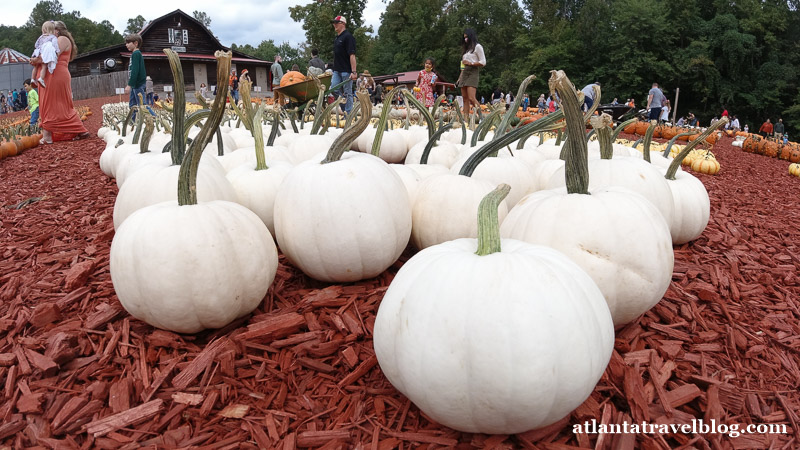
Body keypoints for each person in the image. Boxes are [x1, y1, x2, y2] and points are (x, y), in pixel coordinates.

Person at [30, 21, 88, 144]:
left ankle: (48, 135)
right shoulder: (55, 40)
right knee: (59, 103)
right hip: (52, 75)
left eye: (51, 29)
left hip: (55, 75)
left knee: (49, 103)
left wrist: (35, 60)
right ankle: (77, 130)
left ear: (57, 30)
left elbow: (50, 56)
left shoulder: (62, 39)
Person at [455, 28, 485, 120]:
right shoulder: (466, 50)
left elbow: (483, 62)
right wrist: (459, 79)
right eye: (464, 37)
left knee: (471, 97)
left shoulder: (478, 47)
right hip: (464, 72)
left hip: (473, 71)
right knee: (465, 98)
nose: (465, 39)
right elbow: (463, 67)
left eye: (467, 37)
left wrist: (471, 63)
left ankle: (481, 118)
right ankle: (466, 119)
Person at [330, 15, 357, 114]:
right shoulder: (337, 38)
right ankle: (344, 106)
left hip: (346, 70)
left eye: (336, 23)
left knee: (348, 92)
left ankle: (348, 115)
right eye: (334, 23)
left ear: (343, 24)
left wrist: (354, 71)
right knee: (333, 88)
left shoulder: (348, 37)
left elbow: (352, 55)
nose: (334, 25)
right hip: (337, 70)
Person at [124, 34, 147, 120]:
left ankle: (154, 118)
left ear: (135, 43)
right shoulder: (135, 54)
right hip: (135, 85)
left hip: (138, 84)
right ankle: (132, 122)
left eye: (128, 43)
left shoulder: (136, 54)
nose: (126, 45)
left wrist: (129, 84)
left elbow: (135, 70)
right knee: (132, 105)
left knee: (142, 105)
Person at [30, 21, 59, 88]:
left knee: (35, 67)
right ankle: (41, 78)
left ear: (44, 29)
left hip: (37, 52)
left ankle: (32, 79)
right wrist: (57, 52)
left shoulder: (41, 37)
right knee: (44, 66)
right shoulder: (53, 37)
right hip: (44, 54)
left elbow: (36, 45)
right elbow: (55, 45)